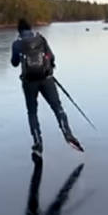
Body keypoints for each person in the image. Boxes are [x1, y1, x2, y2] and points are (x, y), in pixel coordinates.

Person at [11, 19, 83, 154]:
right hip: (46, 79)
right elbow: (51, 56)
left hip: (29, 82)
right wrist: (50, 67)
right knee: (57, 107)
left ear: (19, 30)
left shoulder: (17, 43)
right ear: (30, 28)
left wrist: (19, 54)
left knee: (32, 112)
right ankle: (68, 134)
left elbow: (14, 63)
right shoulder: (40, 39)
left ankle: (38, 141)